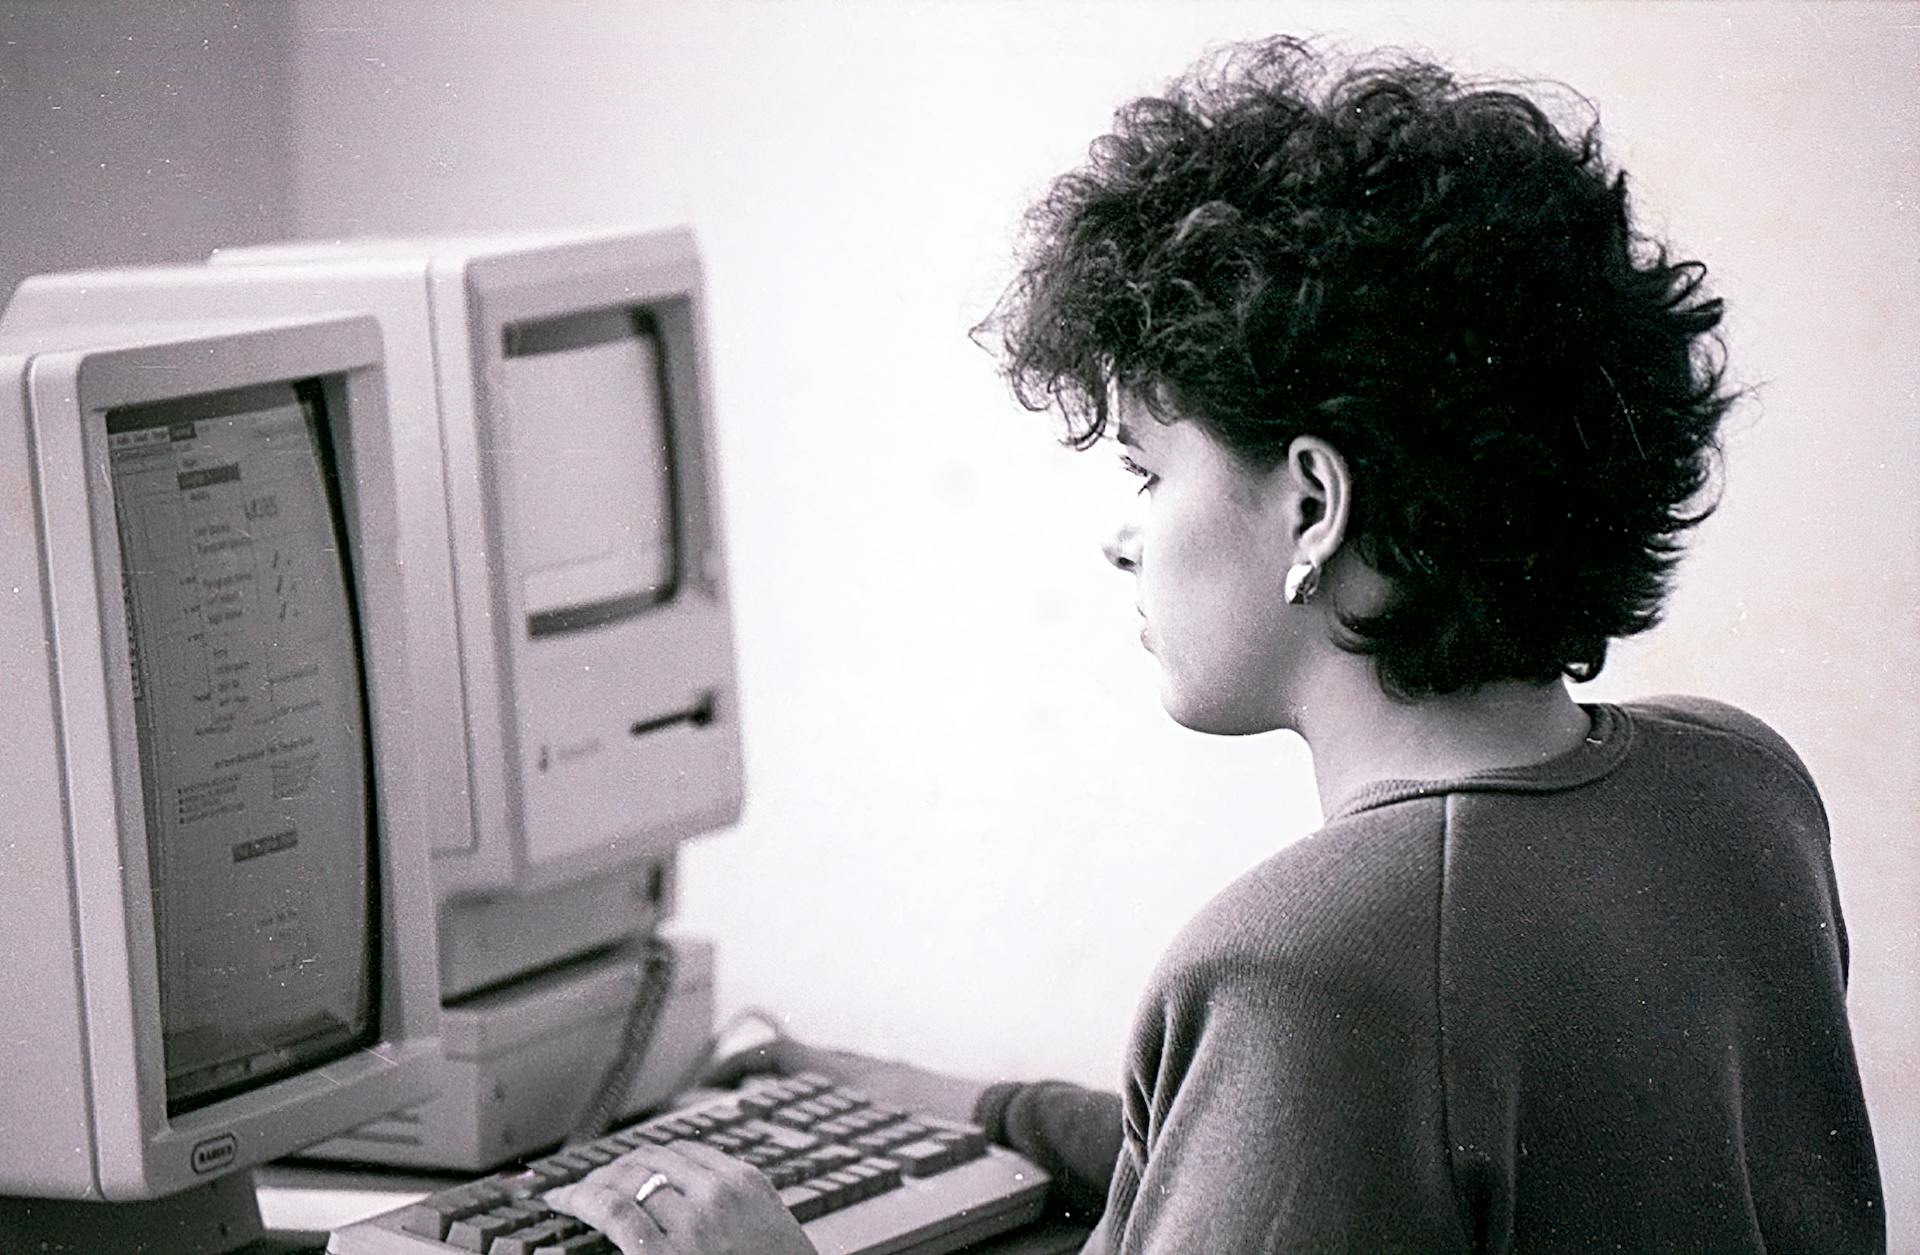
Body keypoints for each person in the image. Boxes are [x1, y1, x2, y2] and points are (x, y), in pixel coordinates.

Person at [544, 35, 1885, 1253]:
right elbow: (1325, 1139)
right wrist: (954, 1107)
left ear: (1313, 503)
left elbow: (1336, 1067)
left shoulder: (1304, 970)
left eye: (1146, 468)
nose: (1124, 538)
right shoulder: (1742, 789)